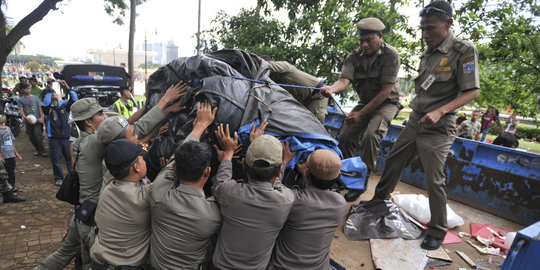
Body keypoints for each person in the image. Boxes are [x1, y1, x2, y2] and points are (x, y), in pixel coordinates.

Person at [34, 82, 186, 270]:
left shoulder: (82, 141)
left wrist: (151, 108)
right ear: (88, 121)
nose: (105, 115)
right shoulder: (96, 142)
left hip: (79, 214)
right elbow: (135, 129)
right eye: (100, 114)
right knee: (89, 263)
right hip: (92, 223)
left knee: (64, 254)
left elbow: (125, 125)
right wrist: (164, 101)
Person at [371, 1, 480, 250]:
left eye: (431, 29)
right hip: (416, 120)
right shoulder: (428, 52)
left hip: (439, 125)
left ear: (449, 23)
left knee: (434, 179)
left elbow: (472, 91)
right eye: (422, 29)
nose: (425, 35)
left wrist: (440, 111)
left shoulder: (463, 50)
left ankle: (437, 230)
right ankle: (379, 200)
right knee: (394, 161)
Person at [321, 17, 402, 202]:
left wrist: (360, 114)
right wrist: (331, 89)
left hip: (387, 102)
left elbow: (385, 92)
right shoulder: (354, 57)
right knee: (345, 134)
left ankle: (361, 181)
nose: (364, 45)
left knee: (372, 135)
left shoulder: (391, 55)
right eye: (361, 41)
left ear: (380, 36)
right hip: (365, 102)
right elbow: (344, 81)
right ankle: (346, 175)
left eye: (369, 40)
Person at [150, 101, 221, 269]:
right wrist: (227, 158)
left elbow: (175, 158)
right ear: (208, 172)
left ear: (174, 169)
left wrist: (199, 126)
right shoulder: (213, 215)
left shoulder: (158, 194)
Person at [212, 127, 295, 269]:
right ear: (279, 171)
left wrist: (228, 155)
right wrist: (284, 161)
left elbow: (220, 183)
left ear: (243, 164)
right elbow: (277, 183)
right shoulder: (286, 200)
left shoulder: (229, 192)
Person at [269, 149, 347, 270]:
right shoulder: (340, 204)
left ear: (307, 172)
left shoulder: (292, 199)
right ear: (339, 175)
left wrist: (284, 161)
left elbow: (274, 184)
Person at [90, 139, 151, 269]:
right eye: (142, 160)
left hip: (99, 263)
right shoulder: (144, 198)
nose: (145, 161)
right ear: (136, 167)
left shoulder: (108, 189)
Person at [262, 57, 329, 124]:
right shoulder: (272, 81)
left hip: (317, 96)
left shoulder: (283, 66)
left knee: (313, 125)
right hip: (303, 100)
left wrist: (254, 61)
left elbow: (264, 65)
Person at [42, 81, 78, 186]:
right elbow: (47, 102)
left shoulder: (64, 106)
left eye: (55, 93)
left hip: (66, 137)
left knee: (69, 158)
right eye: (51, 93)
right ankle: (59, 177)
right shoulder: (47, 109)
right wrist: (50, 88)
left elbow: (74, 99)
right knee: (56, 159)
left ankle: (72, 175)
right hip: (54, 138)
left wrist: (67, 86)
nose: (54, 94)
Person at [0, 112, 25, 203]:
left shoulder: (7, 129)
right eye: (2, 117)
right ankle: (8, 190)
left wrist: (16, 153)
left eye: (4, 116)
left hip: (10, 154)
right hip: (4, 155)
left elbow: (11, 142)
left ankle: (12, 187)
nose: (4, 118)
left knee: (11, 172)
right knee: (4, 174)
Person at [18, 82, 47, 157]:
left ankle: (42, 150)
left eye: (28, 88)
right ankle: (38, 149)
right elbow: (21, 110)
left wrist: (42, 117)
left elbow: (39, 108)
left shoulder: (35, 98)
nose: (27, 90)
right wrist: (25, 117)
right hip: (28, 121)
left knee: (37, 135)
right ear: (21, 90)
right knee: (31, 136)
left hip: (37, 120)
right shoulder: (21, 99)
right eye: (25, 89)